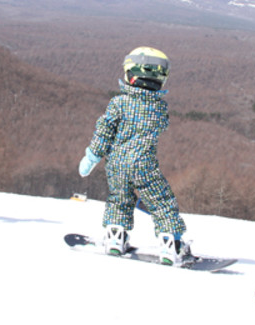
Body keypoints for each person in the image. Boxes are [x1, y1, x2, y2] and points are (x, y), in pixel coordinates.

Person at [78, 47, 189, 265]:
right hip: (143, 164)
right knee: (162, 202)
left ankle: (115, 238)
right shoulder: (159, 108)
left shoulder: (118, 103)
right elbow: (162, 125)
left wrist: (92, 156)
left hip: (116, 164)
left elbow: (104, 129)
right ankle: (171, 244)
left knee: (119, 200)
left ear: (129, 75)